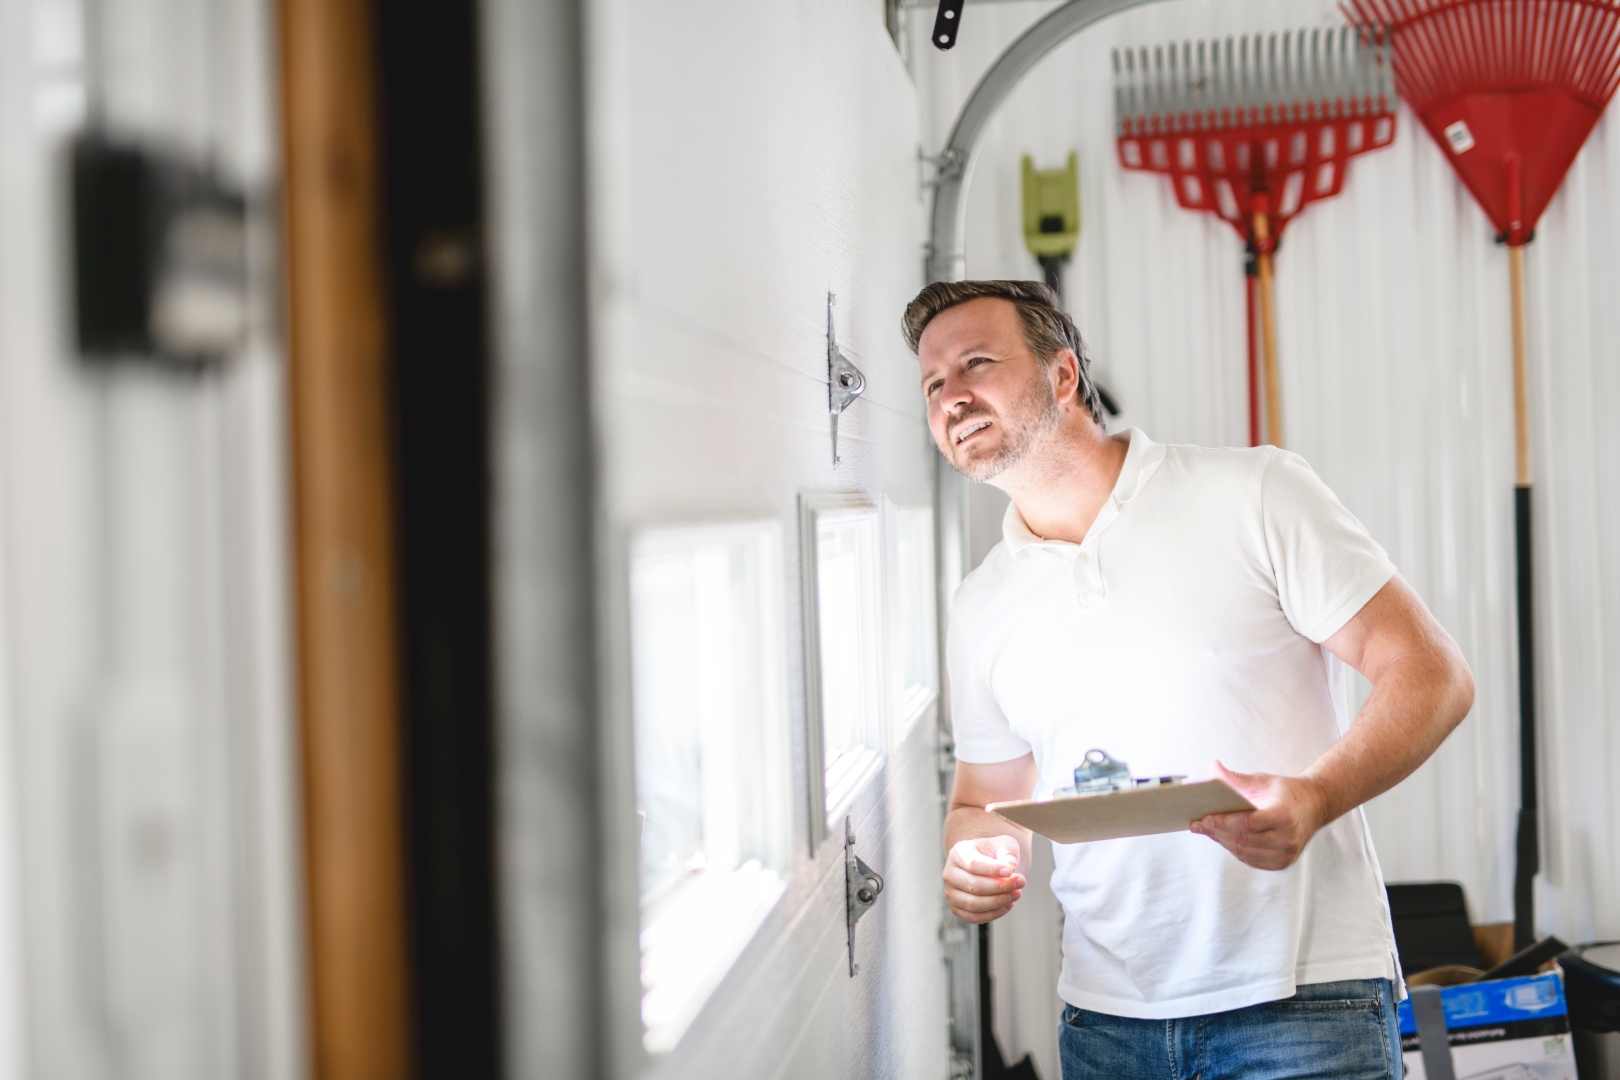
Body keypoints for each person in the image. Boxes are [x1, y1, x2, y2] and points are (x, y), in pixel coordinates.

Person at [904, 279, 1474, 1080]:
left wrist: (1313, 799)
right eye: (933, 385)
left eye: (976, 364)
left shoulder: (1254, 493)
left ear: (1063, 376)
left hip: (1303, 1003)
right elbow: (981, 803)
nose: (952, 397)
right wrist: (976, 856)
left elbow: (1432, 674)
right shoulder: (981, 603)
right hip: (1107, 1022)